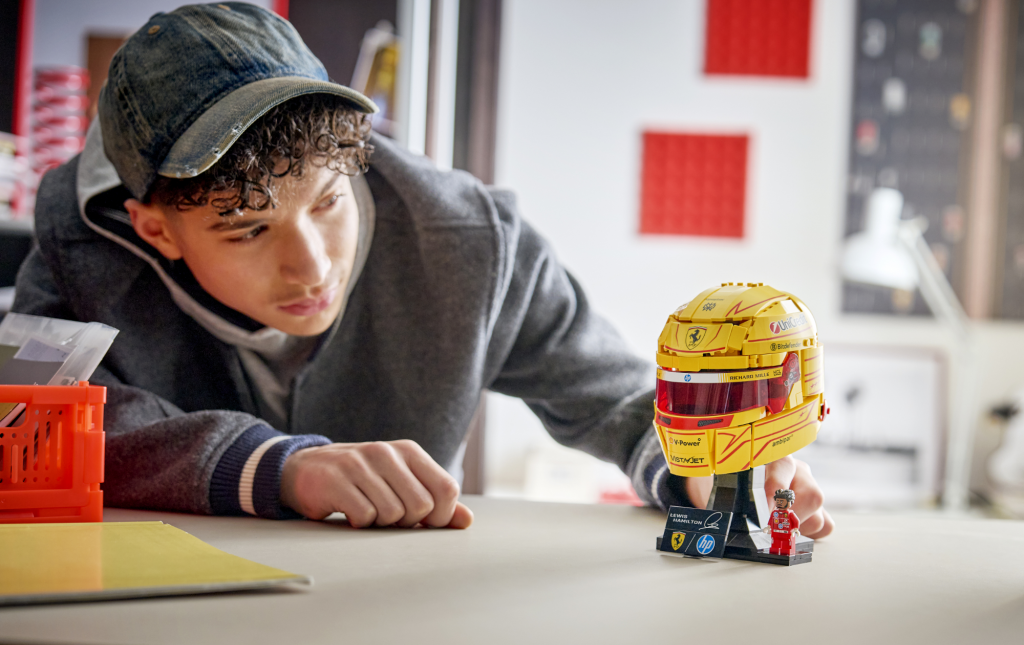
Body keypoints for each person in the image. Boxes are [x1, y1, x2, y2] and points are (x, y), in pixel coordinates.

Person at [13, 2, 833, 538]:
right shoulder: (79, 247)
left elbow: (618, 400)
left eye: (328, 202)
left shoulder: (471, 241)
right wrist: (272, 468)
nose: (311, 266)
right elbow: (24, 424)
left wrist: (708, 464)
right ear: (157, 230)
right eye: (250, 230)